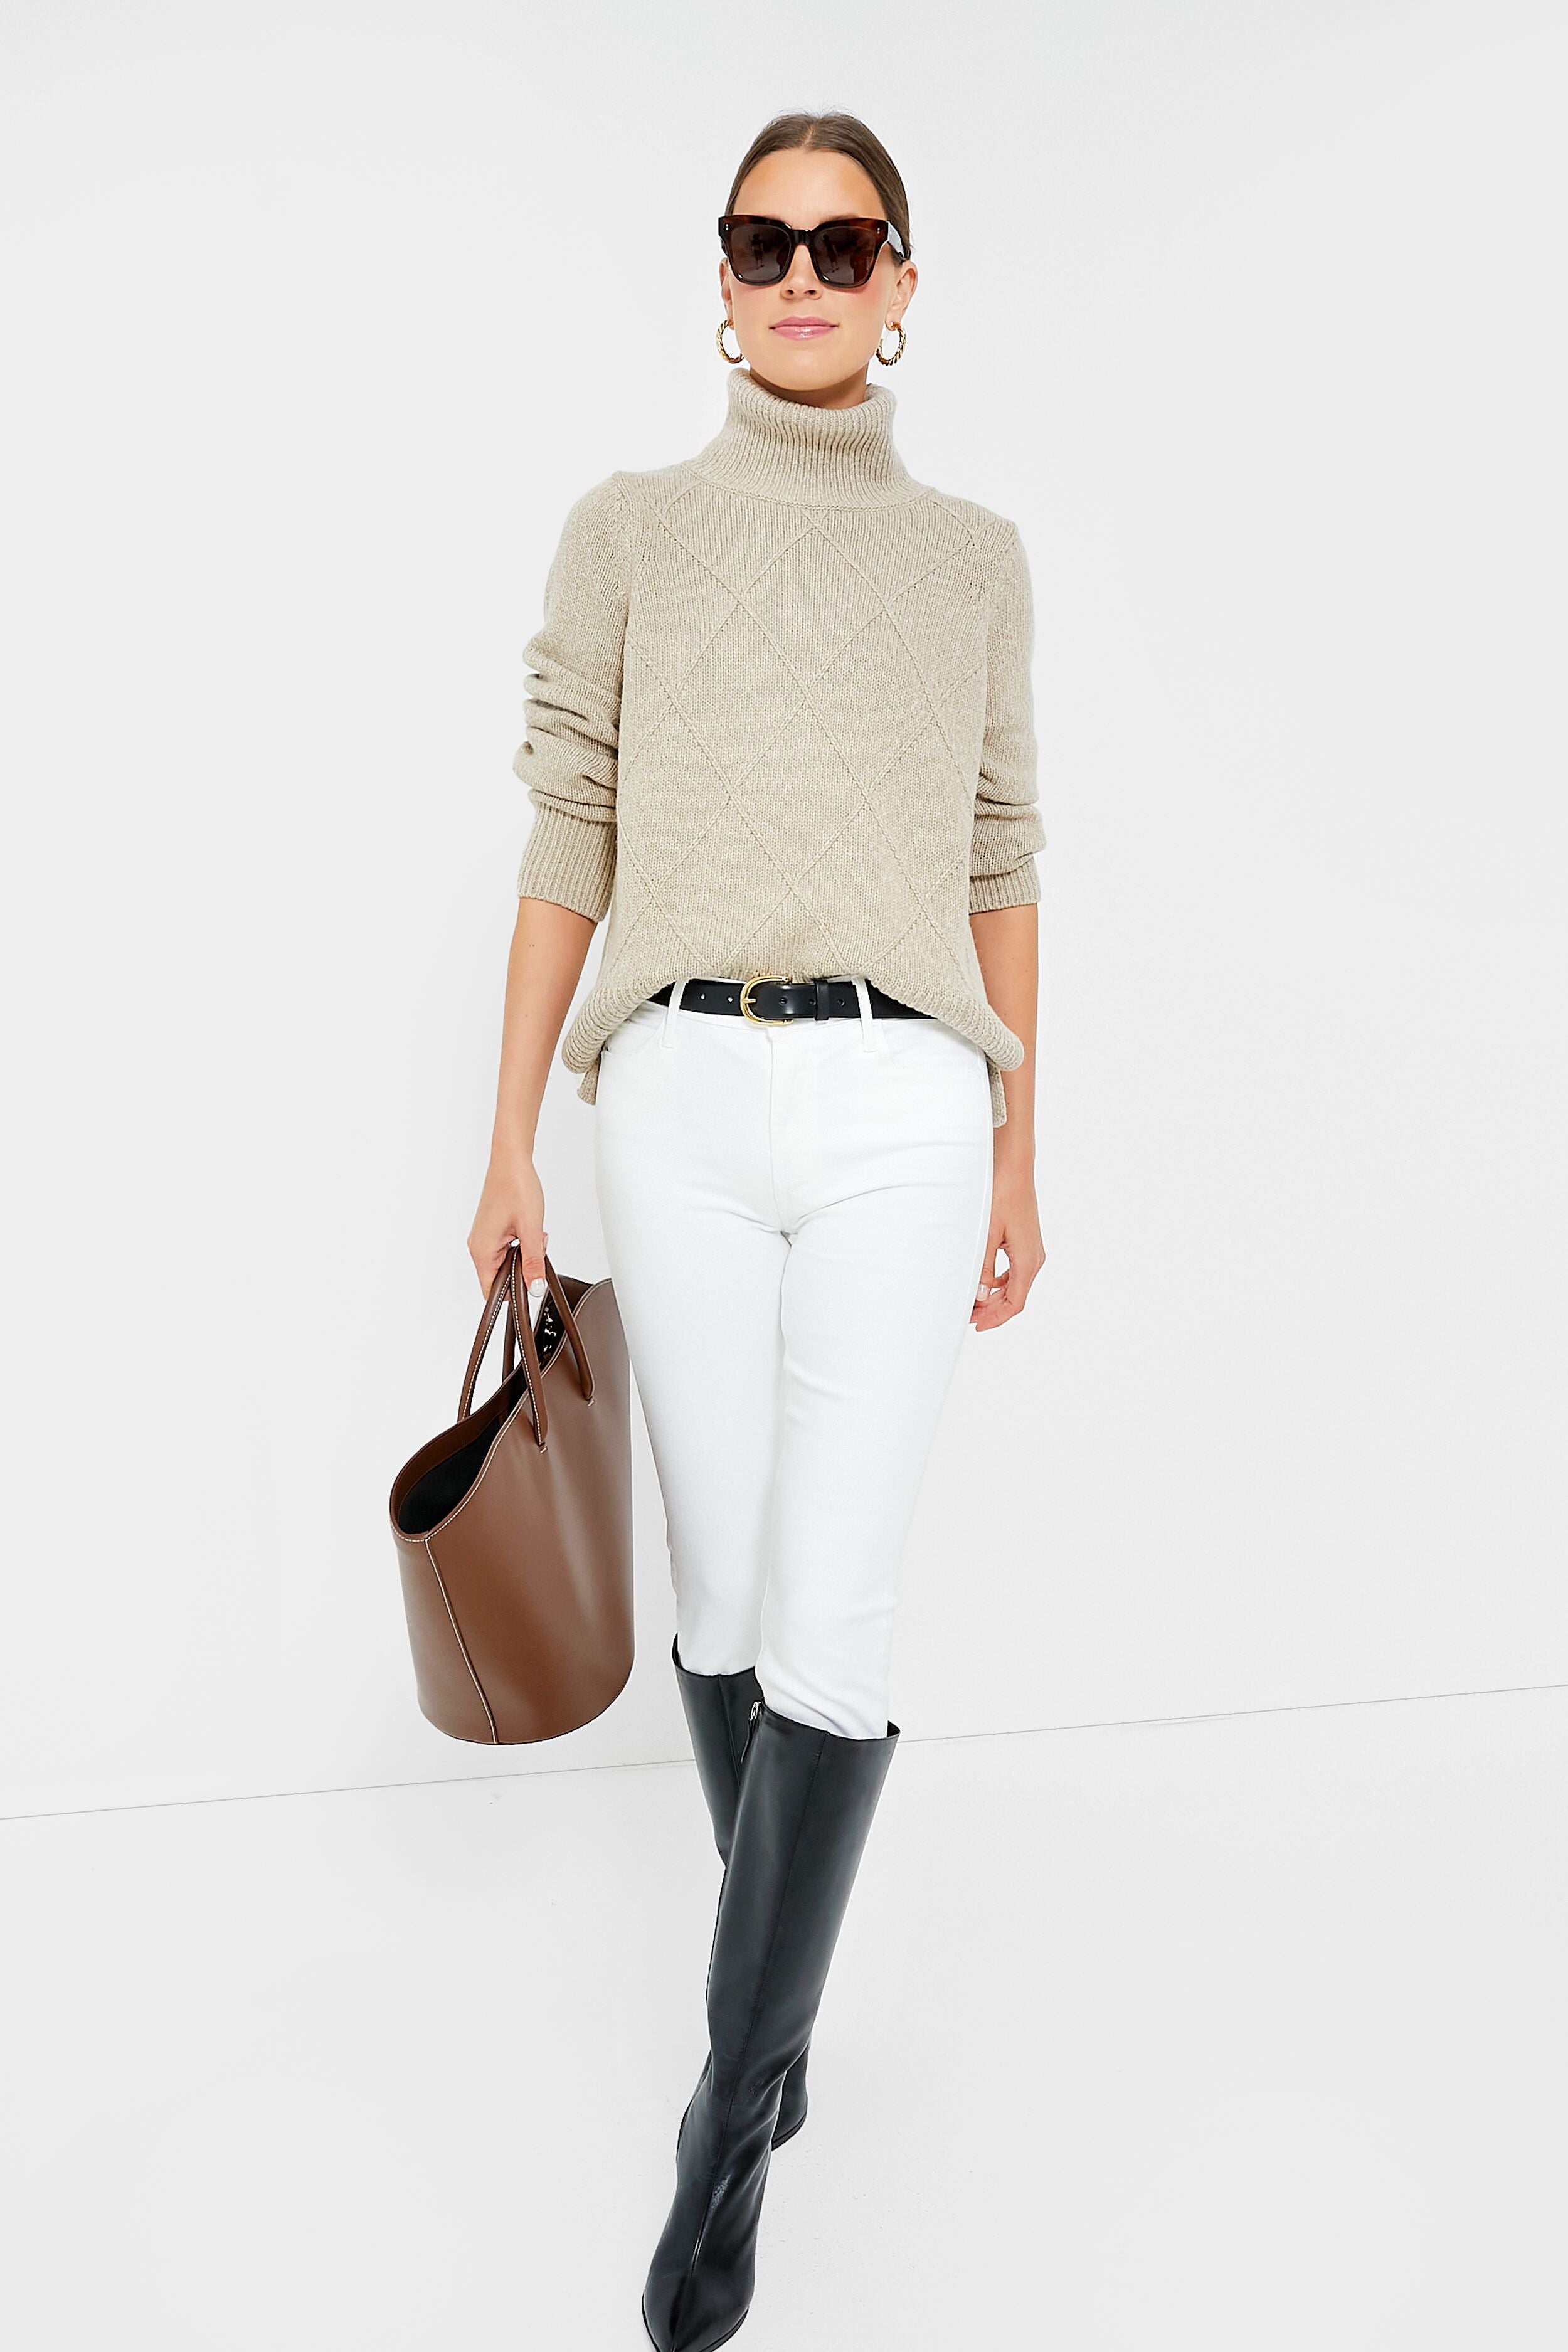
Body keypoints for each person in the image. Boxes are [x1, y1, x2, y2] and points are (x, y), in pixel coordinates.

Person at [469, 108, 1045, 2352]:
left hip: (904, 1097)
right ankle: (776, 2019)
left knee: (837, 1604)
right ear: (719, 282)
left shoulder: (974, 559)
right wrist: (509, 1140)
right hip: (681, 1097)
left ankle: (725, 2126)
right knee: (719, 1593)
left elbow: (999, 858)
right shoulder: (627, 529)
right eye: (761, 240)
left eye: (844, 242)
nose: (801, 275)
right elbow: (569, 826)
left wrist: (1018, 1148)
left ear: (903, 285)